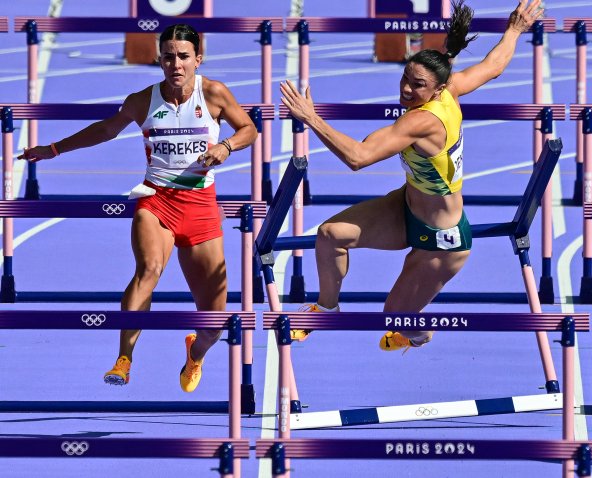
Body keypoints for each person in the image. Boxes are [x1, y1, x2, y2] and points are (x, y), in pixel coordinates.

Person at [280, 0, 543, 351]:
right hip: (406, 209)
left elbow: (358, 158)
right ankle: (326, 307)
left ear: (435, 91)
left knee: (397, 317)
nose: (406, 89)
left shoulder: (421, 122)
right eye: (405, 77)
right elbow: (492, 66)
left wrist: (311, 118)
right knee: (329, 235)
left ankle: (420, 335)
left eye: (416, 85)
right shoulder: (451, 87)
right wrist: (514, 30)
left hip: (442, 239)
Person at [18, 24, 257, 392]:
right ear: (159, 59)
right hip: (156, 199)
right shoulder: (143, 100)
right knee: (149, 269)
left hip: (201, 206)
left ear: (198, 59)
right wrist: (53, 149)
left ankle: (196, 353)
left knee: (213, 320)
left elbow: (249, 129)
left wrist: (225, 147)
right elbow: (106, 129)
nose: (175, 64)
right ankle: (124, 358)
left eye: (183, 57)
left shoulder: (213, 94)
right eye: (168, 57)